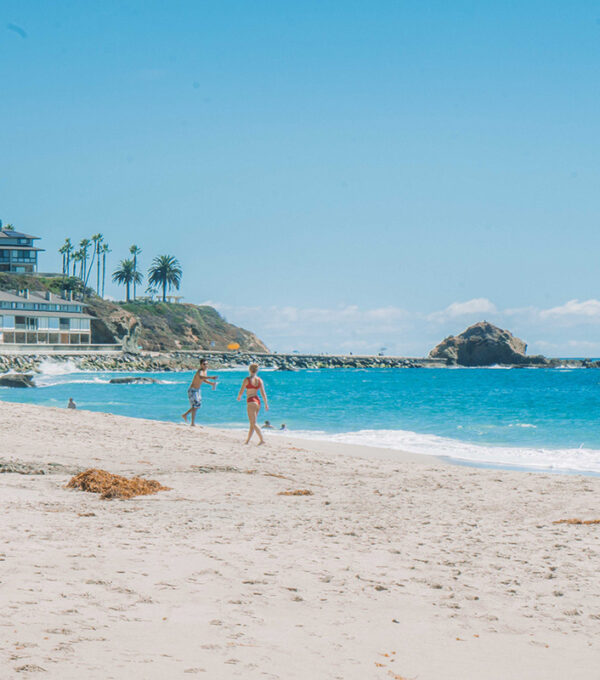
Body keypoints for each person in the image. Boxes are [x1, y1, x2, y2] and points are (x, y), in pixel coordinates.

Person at [237, 363, 268, 445]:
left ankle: (262, 439)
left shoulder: (247, 379)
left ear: (249, 370)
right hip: (258, 401)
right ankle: (247, 441)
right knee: (252, 423)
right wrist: (266, 404)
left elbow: (242, 390)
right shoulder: (259, 380)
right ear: (257, 370)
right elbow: (263, 393)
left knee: (253, 423)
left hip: (251, 401)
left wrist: (239, 396)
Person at [182, 359, 218, 426]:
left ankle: (185, 415)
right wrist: (211, 377)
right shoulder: (200, 371)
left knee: (197, 406)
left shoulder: (205, 371)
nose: (206, 365)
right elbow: (201, 377)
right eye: (204, 364)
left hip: (198, 390)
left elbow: (203, 380)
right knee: (195, 405)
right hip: (192, 390)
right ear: (201, 365)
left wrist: (211, 384)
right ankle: (192, 423)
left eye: (207, 364)